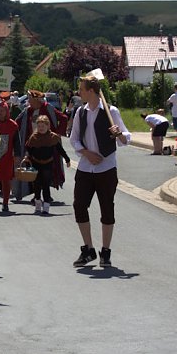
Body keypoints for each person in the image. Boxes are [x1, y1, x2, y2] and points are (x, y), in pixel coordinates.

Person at [69, 75, 131, 268]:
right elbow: (74, 139)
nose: (79, 93)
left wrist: (118, 133)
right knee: (79, 205)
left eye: (81, 89)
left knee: (107, 208)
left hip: (106, 168)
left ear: (91, 91)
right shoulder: (81, 112)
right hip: (86, 167)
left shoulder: (111, 111)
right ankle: (88, 249)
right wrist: (86, 153)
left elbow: (126, 138)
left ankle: (106, 251)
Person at [13, 89, 68, 203]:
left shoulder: (48, 108)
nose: (28, 101)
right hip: (34, 144)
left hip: (48, 144)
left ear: (36, 99)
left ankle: (46, 195)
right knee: (34, 171)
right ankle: (36, 195)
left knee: (47, 172)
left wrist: (57, 133)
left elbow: (63, 118)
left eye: (30, 98)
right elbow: (16, 122)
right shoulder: (27, 111)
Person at [23, 115, 71, 215]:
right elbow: (29, 149)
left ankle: (46, 208)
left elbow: (60, 150)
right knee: (36, 186)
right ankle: (37, 205)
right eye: (39, 126)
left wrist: (67, 159)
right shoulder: (33, 137)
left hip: (47, 165)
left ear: (48, 126)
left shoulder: (53, 137)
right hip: (36, 164)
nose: (41, 128)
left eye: (43, 126)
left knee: (45, 185)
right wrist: (26, 157)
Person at [0, 101, 19, 213]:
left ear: (6, 111)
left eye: (2, 110)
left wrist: (17, 155)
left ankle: (5, 203)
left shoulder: (13, 125)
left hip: (7, 157)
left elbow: (17, 142)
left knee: (6, 181)